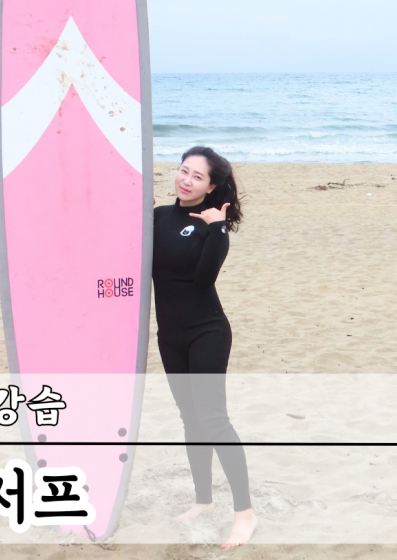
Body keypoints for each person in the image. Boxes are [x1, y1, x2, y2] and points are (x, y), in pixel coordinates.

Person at [153, 145, 257, 548]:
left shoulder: (213, 227)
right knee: (190, 420)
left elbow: (203, 279)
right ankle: (203, 500)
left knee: (213, 420)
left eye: (197, 176)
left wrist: (218, 228)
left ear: (211, 187)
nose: (186, 180)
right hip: (170, 335)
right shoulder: (158, 217)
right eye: (184, 170)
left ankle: (244, 514)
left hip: (206, 332)